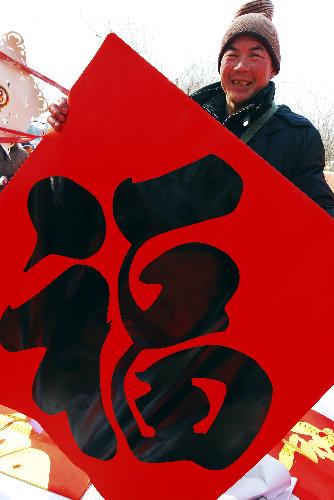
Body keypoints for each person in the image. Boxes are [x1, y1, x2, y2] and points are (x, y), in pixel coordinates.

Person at [48, 0, 334, 217]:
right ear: (221, 65)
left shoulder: (298, 136)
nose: (241, 66)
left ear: (273, 69)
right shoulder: (180, 118)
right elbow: (120, 163)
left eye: (255, 56)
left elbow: (318, 223)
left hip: (235, 282)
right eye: (231, 55)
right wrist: (73, 125)